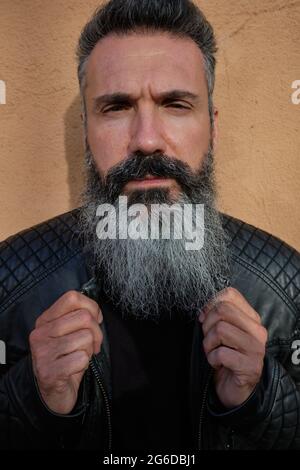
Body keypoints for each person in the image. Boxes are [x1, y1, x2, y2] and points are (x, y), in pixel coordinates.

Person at [0, 0, 299, 451]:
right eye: (116, 107)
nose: (145, 140)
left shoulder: (285, 284)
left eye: (175, 104)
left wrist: (258, 396)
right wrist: (34, 395)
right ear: (86, 131)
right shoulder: (10, 279)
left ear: (212, 128)